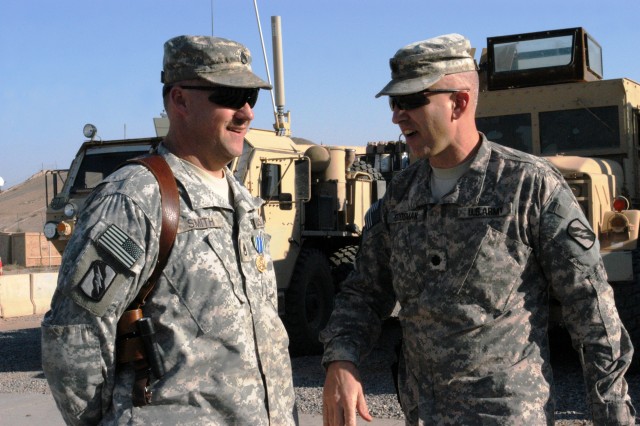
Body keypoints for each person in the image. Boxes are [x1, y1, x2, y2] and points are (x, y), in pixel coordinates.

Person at [320, 33, 635, 425]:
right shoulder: (401, 194)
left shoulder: (529, 186)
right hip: (424, 414)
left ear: (460, 102)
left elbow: (592, 311)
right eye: (394, 102)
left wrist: (613, 413)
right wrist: (341, 359)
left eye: (412, 101)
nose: (397, 115)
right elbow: (365, 292)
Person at [41, 35, 297, 425]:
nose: (246, 113)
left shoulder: (243, 202)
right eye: (229, 95)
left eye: (251, 97)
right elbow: (74, 339)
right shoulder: (134, 199)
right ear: (179, 100)